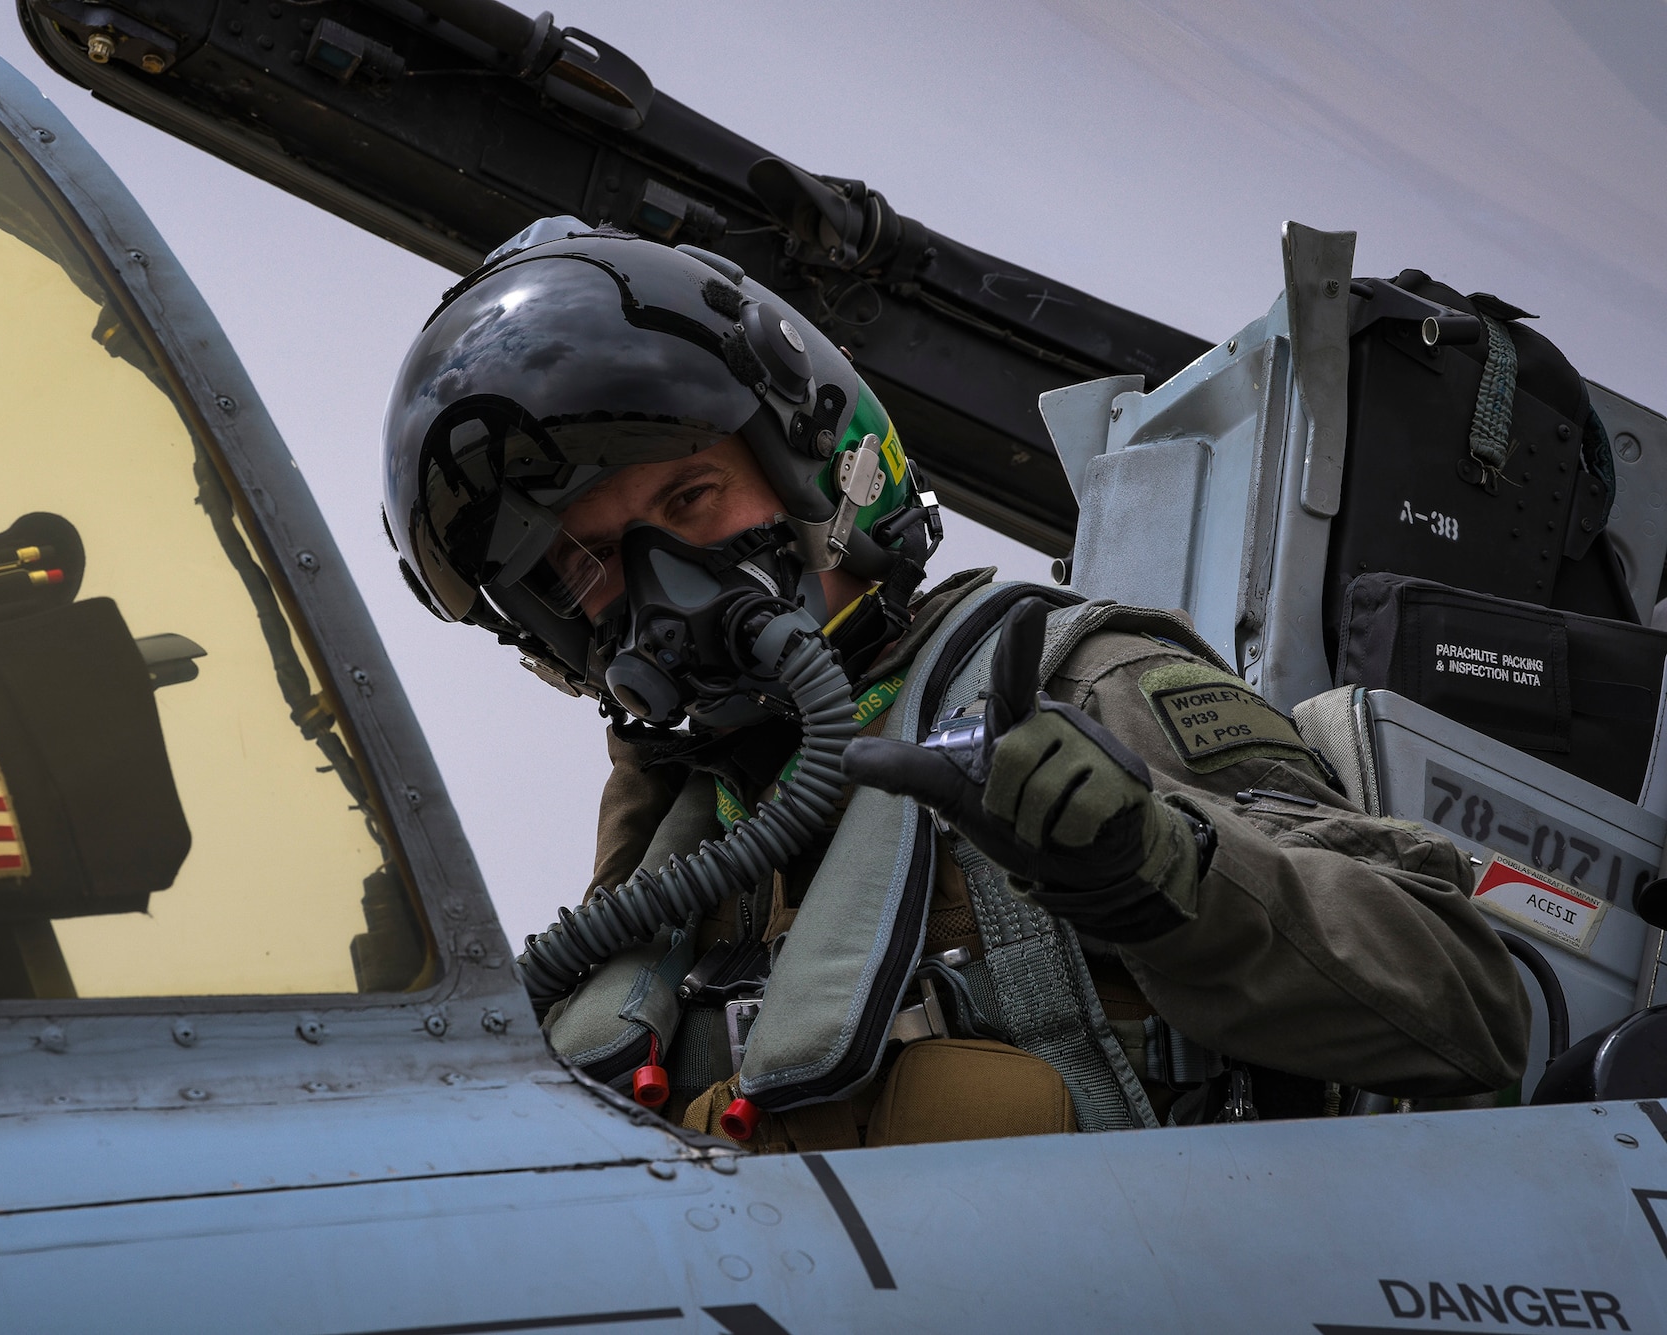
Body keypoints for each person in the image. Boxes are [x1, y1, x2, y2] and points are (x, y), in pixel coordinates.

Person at [381, 216, 1530, 1148]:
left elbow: (1472, 1005)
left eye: (690, 501)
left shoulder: (1078, 683)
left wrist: (1158, 865)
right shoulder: (674, 846)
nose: (661, 583)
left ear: (814, 468)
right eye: (590, 563)